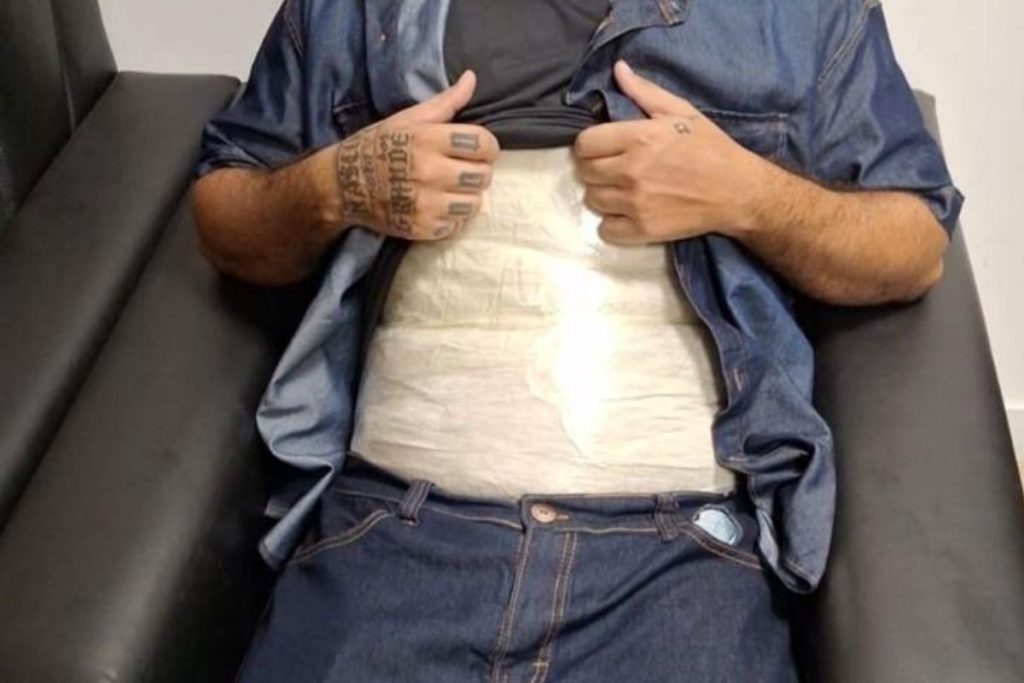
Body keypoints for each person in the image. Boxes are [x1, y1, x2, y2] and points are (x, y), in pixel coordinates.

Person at [192, 0, 962, 680]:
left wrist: (745, 194)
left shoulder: (804, 13)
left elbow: (914, 245)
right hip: (393, 529)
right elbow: (226, 216)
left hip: (679, 552)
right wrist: (342, 184)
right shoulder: (354, 11)